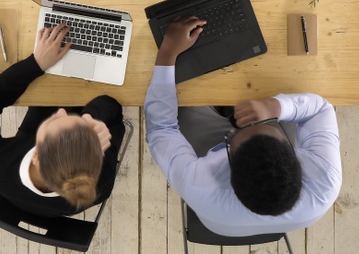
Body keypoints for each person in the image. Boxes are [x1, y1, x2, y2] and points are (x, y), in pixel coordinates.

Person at [144, 16, 342, 236]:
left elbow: (161, 128)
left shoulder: (199, 183)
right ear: (294, 153)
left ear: (228, 161)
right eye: (268, 125)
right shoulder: (324, 177)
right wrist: (274, 108)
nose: (243, 122)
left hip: (219, 215)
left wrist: (168, 51)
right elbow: (321, 109)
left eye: (236, 132)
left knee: (184, 104)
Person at [0, 23, 125, 217]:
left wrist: (36, 63)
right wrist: (89, 118)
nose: (61, 111)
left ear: (36, 155)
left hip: (35, 133)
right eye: (62, 118)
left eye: (55, 120)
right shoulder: (100, 184)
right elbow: (113, 111)